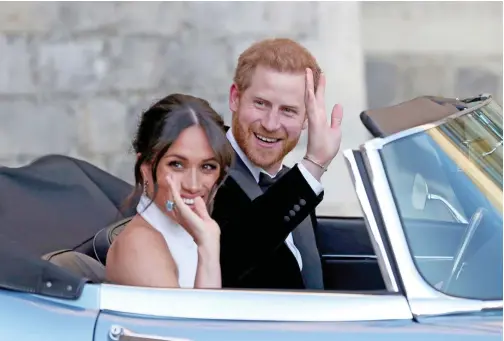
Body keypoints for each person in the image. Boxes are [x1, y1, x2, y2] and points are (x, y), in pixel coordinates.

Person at [212, 38, 343, 290]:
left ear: (307, 118)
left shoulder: (291, 182)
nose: (271, 124)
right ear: (235, 98)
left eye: (288, 111)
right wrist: (314, 164)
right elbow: (232, 256)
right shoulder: (205, 171)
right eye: (260, 104)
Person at [105, 93, 234, 288]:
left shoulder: (194, 234)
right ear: (147, 170)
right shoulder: (140, 245)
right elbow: (196, 320)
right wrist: (208, 249)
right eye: (177, 165)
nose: (193, 185)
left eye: (207, 167)